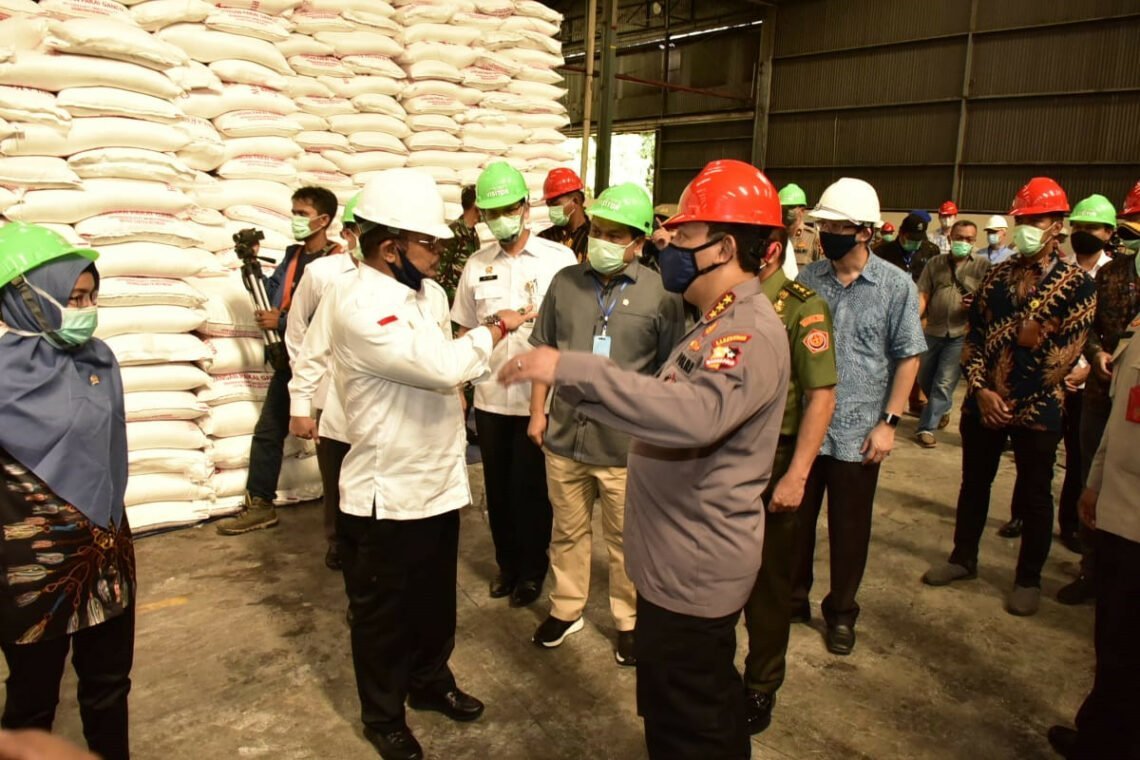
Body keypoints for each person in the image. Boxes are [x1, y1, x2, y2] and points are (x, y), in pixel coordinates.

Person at [500, 158, 790, 760]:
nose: (667, 243)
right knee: (669, 706)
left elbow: (688, 414)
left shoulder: (748, 333)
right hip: (670, 560)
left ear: (724, 247)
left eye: (683, 236)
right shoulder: (712, 322)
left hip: (696, 565)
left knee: (695, 718)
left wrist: (570, 368)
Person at [293, 169, 535, 760]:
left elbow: (453, 364)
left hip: (436, 480)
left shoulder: (422, 295)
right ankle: (383, 716)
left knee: (434, 601)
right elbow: (442, 367)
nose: (439, 253)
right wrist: (497, 326)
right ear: (389, 246)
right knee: (381, 615)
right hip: (386, 492)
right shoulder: (358, 306)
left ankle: (430, 681)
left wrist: (475, 346)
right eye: (429, 244)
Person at [922, 177, 1096, 617]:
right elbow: (973, 335)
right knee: (973, 485)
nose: (1026, 228)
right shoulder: (996, 276)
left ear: (1057, 224)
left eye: (1034, 220)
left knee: (1036, 494)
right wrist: (981, 390)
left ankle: (1028, 578)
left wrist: (1011, 399)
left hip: (1037, 408)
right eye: (1022, 220)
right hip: (984, 402)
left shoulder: (1077, 286)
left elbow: (1066, 355)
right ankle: (963, 558)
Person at [527, 182, 685, 665]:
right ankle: (567, 605)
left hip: (624, 446)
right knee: (567, 531)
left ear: (638, 243)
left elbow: (669, 373)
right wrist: (538, 411)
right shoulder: (564, 283)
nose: (602, 241)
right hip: (564, 434)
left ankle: (628, 619)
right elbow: (544, 353)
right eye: (598, 230)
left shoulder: (662, 296)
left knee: (625, 539)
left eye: (616, 235)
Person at [0, 222, 136, 760]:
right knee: (33, 697)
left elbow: (112, 453)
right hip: (30, 566)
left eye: (91, 296)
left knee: (109, 685)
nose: (86, 309)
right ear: (29, 300)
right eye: (74, 297)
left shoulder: (99, 359)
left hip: (105, 551)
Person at [791, 177, 926, 656]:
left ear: (866, 231)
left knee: (849, 530)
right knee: (796, 522)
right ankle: (793, 597)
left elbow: (909, 356)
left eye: (838, 226)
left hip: (859, 433)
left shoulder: (895, 287)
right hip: (808, 429)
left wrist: (889, 423)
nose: (827, 234)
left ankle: (842, 612)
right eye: (824, 225)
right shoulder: (807, 281)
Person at [451, 162, 577, 608]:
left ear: (525, 208)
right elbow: (463, 329)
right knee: (498, 491)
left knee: (533, 492)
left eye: (507, 209)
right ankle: (507, 565)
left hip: (537, 399)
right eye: (491, 212)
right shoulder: (476, 264)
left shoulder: (558, 260)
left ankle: (532, 570)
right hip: (490, 397)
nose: (499, 219)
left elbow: (571, 329)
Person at [741, 227, 838, 734]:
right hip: (728, 456)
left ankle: (760, 684)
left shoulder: (803, 307)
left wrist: (797, 475)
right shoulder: (727, 302)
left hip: (776, 455)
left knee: (769, 582)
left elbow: (821, 396)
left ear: (770, 250)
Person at [216, 185, 341, 535]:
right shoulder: (293, 257)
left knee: (333, 440)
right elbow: (273, 294)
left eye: (302, 214)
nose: (296, 220)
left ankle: (343, 516)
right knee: (269, 430)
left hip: (326, 365)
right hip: (290, 361)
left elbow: (331, 317)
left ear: (324, 219)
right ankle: (260, 502)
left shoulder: (337, 263)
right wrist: (251, 266)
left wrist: (282, 321)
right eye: (294, 213)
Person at [1046, 308, 1140, 760]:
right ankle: (1099, 735)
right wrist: (1095, 482)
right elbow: (1120, 417)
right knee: (1113, 640)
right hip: (1120, 514)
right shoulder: (1139, 329)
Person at [1059, 210, 1138, 605]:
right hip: (1101, 393)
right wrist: (1096, 354)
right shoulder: (1111, 276)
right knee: (1092, 474)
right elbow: (1087, 326)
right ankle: (1093, 569)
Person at [281, 193, 361, 570]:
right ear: (348, 233)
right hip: (331, 397)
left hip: (374, 400)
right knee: (336, 476)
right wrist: (308, 394)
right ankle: (338, 541)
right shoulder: (324, 274)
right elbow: (297, 334)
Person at [1053, 195, 1115, 559]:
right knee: (1042, 454)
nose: (1082, 234)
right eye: (1077, 227)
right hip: (1057, 377)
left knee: (1079, 459)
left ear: (1108, 232)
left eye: (1089, 228)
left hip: (1091, 383)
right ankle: (1020, 516)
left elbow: (1106, 331)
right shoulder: (1059, 269)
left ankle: (1072, 525)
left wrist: (1088, 367)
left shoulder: (1112, 275)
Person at [914, 220, 991, 447]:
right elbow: (923, 294)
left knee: (944, 381)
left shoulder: (983, 266)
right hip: (934, 329)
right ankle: (942, 407)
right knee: (924, 377)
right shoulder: (934, 264)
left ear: (975, 241)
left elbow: (989, 300)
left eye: (969, 239)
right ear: (950, 238)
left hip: (961, 333)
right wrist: (913, 320)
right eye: (959, 238)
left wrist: (976, 305)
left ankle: (926, 427)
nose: (963, 242)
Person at [437, 185, 480, 305]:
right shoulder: (453, 232)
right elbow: (439, 274)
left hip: (468, 301)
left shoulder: (472, 233)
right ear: (476, 205)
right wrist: (457, 298)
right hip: (453, 305)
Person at [538, 168, 589, 261]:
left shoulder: (593, 239)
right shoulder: (544, 238)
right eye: (549, 204)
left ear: (575, 201)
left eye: (555, 204)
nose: (551, 209)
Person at [876, 212, 940, 284]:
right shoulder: (882, 253)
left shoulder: (931, 250)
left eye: (918, 240)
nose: (915, 242)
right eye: (911, 239)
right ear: (900, 233)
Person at [779, 182, 817, 269]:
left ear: (802, 210)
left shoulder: (812, 238)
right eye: (783, 207)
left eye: (791, 207)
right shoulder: (775, 236)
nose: (786, 211)